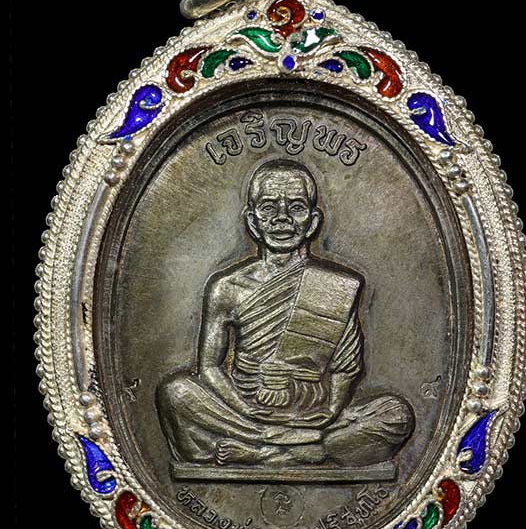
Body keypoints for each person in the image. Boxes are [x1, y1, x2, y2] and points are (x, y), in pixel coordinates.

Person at [156, 159, 414, 467]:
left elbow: (345, 368)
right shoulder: (227, 287)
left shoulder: (336, 285)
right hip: (245, 412)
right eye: (268, 208)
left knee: (396, 415)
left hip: (314, 415)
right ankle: (291, 447)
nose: (282, 218)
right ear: (252, 221)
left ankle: (263, 454)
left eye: (296, 207)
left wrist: (331, 411)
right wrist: (246, 410)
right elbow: (209, 367)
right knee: (175, 392)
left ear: (313, 222)